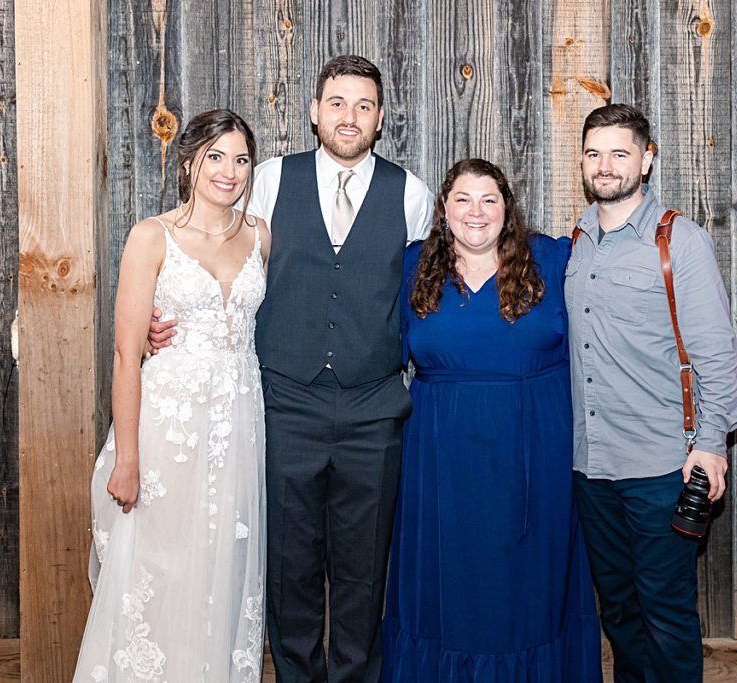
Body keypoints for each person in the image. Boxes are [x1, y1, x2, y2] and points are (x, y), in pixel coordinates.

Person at [150, 55, 432, 682]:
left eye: (364, 105)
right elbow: (212, 248)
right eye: (337, 103)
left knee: (363, 571)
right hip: (286, 405)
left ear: (381, 118)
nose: (349, 117)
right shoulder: (269, 179)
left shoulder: (412, 196)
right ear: (314, 111)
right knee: (289, 566)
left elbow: (425, 293)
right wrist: (161, 312)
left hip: (374, 408)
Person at [381, 158, 602, 682]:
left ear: (508, 209)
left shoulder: (552, 258)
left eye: (489, 200)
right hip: (440, 452)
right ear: (444, 209)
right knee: (449, 580)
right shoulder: (415, 265)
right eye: (462, 199)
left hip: (533, 447)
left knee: (526, 583)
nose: (475, 212)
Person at [73, 109, 270, 681]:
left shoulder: (260, 234)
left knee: (219, 574)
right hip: (167, 433)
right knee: (158, 575)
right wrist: (129, 459)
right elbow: (126, 354)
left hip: (237, 428)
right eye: (216, 156)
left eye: (240, 160)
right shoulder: (151, 236)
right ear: (188, 163)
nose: (229, 171)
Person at [565, 103, 737, 682]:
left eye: (620, 153)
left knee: (665, 615)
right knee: (618, 611)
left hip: (662, 466)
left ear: (647, 158)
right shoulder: (577, 243)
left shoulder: (678, 242)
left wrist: (711, 443)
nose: (605, 165)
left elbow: (715, 354)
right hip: (591, 469)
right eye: (594, 153)